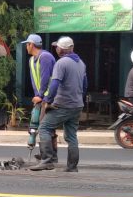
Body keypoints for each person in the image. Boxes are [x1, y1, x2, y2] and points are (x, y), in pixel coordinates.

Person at [30, 36, 87, 173]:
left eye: (57, 47)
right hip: (77, 105)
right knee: (71, 136)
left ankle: (47, 161)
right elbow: (85, 85)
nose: (55, 49)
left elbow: (54, 83)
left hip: (63, 104)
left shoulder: (61, 63)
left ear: (61, 49)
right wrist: (78, 98)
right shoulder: (81, 63)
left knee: (44, 128)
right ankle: (72, 167)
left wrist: (48, 100)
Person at [21, 33, 59, 162]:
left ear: (31, 44)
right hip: (41, 98)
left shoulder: (45, 57)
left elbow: (45, 78)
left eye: (27, 44)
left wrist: (42, 96)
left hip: (50, 98)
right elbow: (34, 80)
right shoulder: (32, 60)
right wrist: (37, 97)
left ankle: (48, 157)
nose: (26, 47)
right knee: (42, 125)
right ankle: (49, 155)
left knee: (44, 127)